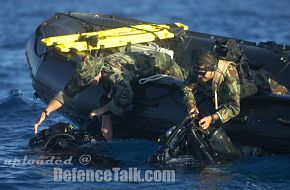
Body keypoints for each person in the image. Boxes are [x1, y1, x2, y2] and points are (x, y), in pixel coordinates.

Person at [34, 51, 188, 140]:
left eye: (90, 80)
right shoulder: (86, 73)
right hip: (131, 71)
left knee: (186, 80)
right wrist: (45, 112)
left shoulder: (114, 75)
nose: (89, 83)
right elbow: (65, 94)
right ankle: (109, 142)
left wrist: (100, 111)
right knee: (104, 102)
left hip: (160, 63)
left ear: (98, 73)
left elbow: (125, 96)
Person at [182, 49, 289, 130]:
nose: (198, 77)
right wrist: (191, 103)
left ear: (213, 69)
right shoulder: (199, 69)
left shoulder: (229, 77)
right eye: (197, 73)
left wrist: (212, 117)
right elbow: (186, 86)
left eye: (202, 74)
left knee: (282, 93)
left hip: (262, 84)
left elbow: (234, 107)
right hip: (229, 86)